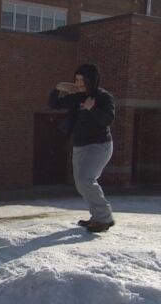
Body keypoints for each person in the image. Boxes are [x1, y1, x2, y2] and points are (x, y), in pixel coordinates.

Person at [48, 63, 116, 233]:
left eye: (81, 80)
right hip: (80, 146)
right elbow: (53, 104)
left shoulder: (103, 97)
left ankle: (104, 218)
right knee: (81, 184)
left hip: (99, 145)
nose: (78, 83)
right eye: (76, 79)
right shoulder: (76, 97)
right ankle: (97, 217)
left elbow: (108, 119)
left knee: (86, 180)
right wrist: (58, 88)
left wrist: (92, 108)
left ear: (90, 80)